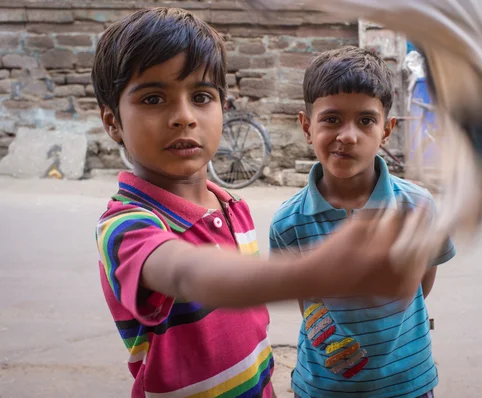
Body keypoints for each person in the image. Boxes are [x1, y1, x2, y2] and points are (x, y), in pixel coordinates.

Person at [91, 8, 426, 398]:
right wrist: (312, 273)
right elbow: (186, 273)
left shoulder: (231, 206)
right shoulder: (125, 225)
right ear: (113, 122)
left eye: (201, 96)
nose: (184, 117)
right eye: (153, 98)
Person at [269, 46, 456, 398]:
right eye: (332, 119)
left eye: (366, 121)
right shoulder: (288, 223)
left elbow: (420, 285)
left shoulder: (418, 207)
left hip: (408, 383)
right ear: (306, 126)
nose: (348, 135)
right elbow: (308, 303)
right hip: (323, 387)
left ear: (387, 130)